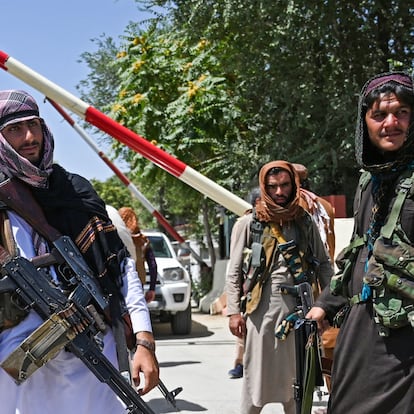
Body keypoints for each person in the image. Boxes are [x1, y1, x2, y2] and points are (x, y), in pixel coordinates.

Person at [0, 90, 159, 414]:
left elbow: (121, 269)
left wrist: (144, 341)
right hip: (18, 371)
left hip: (91, 357)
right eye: (15, 129)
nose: (30, 137)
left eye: (34, 125)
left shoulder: (75, 190)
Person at [307, 72, 414, 413]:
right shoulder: (369, 181)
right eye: (379, 115)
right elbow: (358, 252)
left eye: (402, 113)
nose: (390, 123)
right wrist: (326, 304)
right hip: (363, 327)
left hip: (406, 338)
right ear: (365, 122)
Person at [226, 160, 334, 414]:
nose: (279, 192)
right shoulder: (249, 223)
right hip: (261, 310)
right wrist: (233, 311)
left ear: (294, 185)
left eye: (285, 185)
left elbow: (324, 266)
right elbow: (233, 271)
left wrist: (329, 304)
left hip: (300, 311)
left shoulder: (305, 221)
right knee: (256, 382)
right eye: (273, 186)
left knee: (297, 384)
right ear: (264, 187)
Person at [227, 187, 261, 380]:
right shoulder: (246, 224)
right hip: (247, 287)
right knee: (243, 332)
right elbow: (235, 264)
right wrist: (233, 309)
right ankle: (240, 364)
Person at [118, 206, 158, 303]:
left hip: (117, 285)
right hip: (137, 285)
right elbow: (152, 265)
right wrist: (152, 288)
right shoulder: (143, 241)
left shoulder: (115, 237)